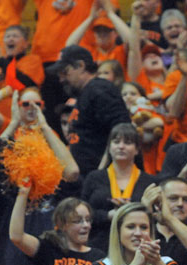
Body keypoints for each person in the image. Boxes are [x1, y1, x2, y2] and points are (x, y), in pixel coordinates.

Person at [50, 44, 131, 177]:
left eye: (65, 72)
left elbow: (121, 132)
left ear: (81, 66)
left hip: (101, 177)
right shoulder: (86, 92)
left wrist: (101, 173)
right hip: (87, 176)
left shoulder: (99, 90)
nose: (61, 79)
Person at [82, 122, 160, 249]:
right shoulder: (93, 178)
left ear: (137, 150)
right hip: (99, 244)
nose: (121, 147)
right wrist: (108, 215)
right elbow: (82, 212)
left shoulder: (150, 182)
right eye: (116, 142)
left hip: (138, 246)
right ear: (109, 147)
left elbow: (157, 218)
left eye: (127, 143)